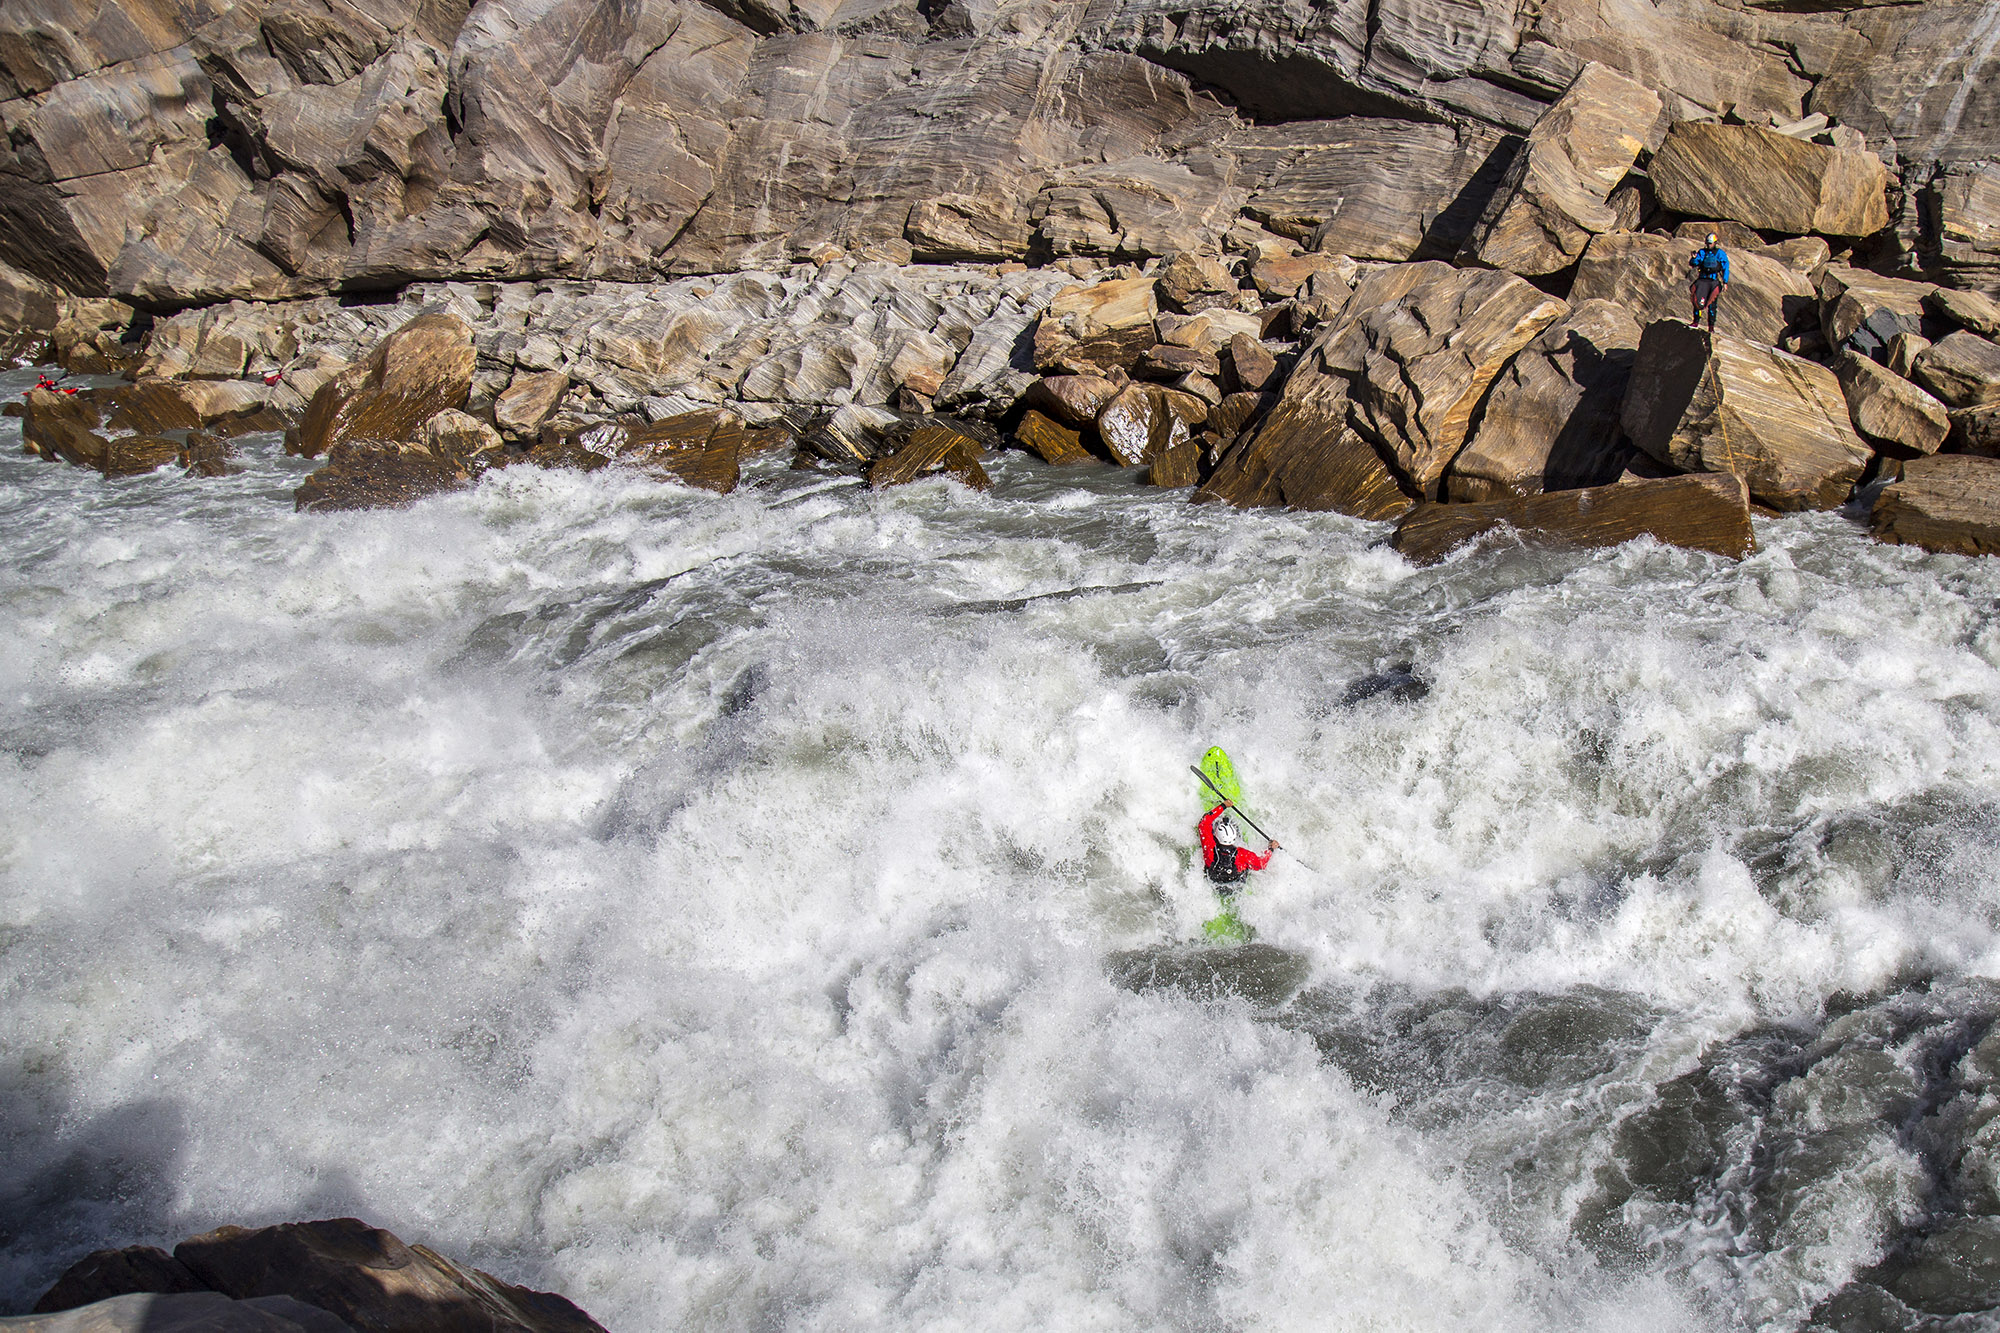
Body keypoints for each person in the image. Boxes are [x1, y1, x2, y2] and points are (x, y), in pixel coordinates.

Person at [1198, 801, 1278, 899]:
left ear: (1216, 836)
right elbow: (1261, 864)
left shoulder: (1209, 846)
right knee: (1244, 866)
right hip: (1235, 886)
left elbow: (1204, 822)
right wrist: (1271, 849)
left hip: (1213, 882)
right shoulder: (1242, 854)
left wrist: (1223, 806)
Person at [1688, 232, 1729, 332]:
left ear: (1715, 243)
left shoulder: (1720, 254)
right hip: (1702, 280)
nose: (1708, 245)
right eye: (1707, 243)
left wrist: (1725, 282)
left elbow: (1725, 267)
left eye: (1710, 243)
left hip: (1713, 281)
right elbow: (1694, 263)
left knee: (1712, 305)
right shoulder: (1702, 252)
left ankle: (1711, 327)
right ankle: (1696, 322)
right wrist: (1693, 258)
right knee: (1697, 301)